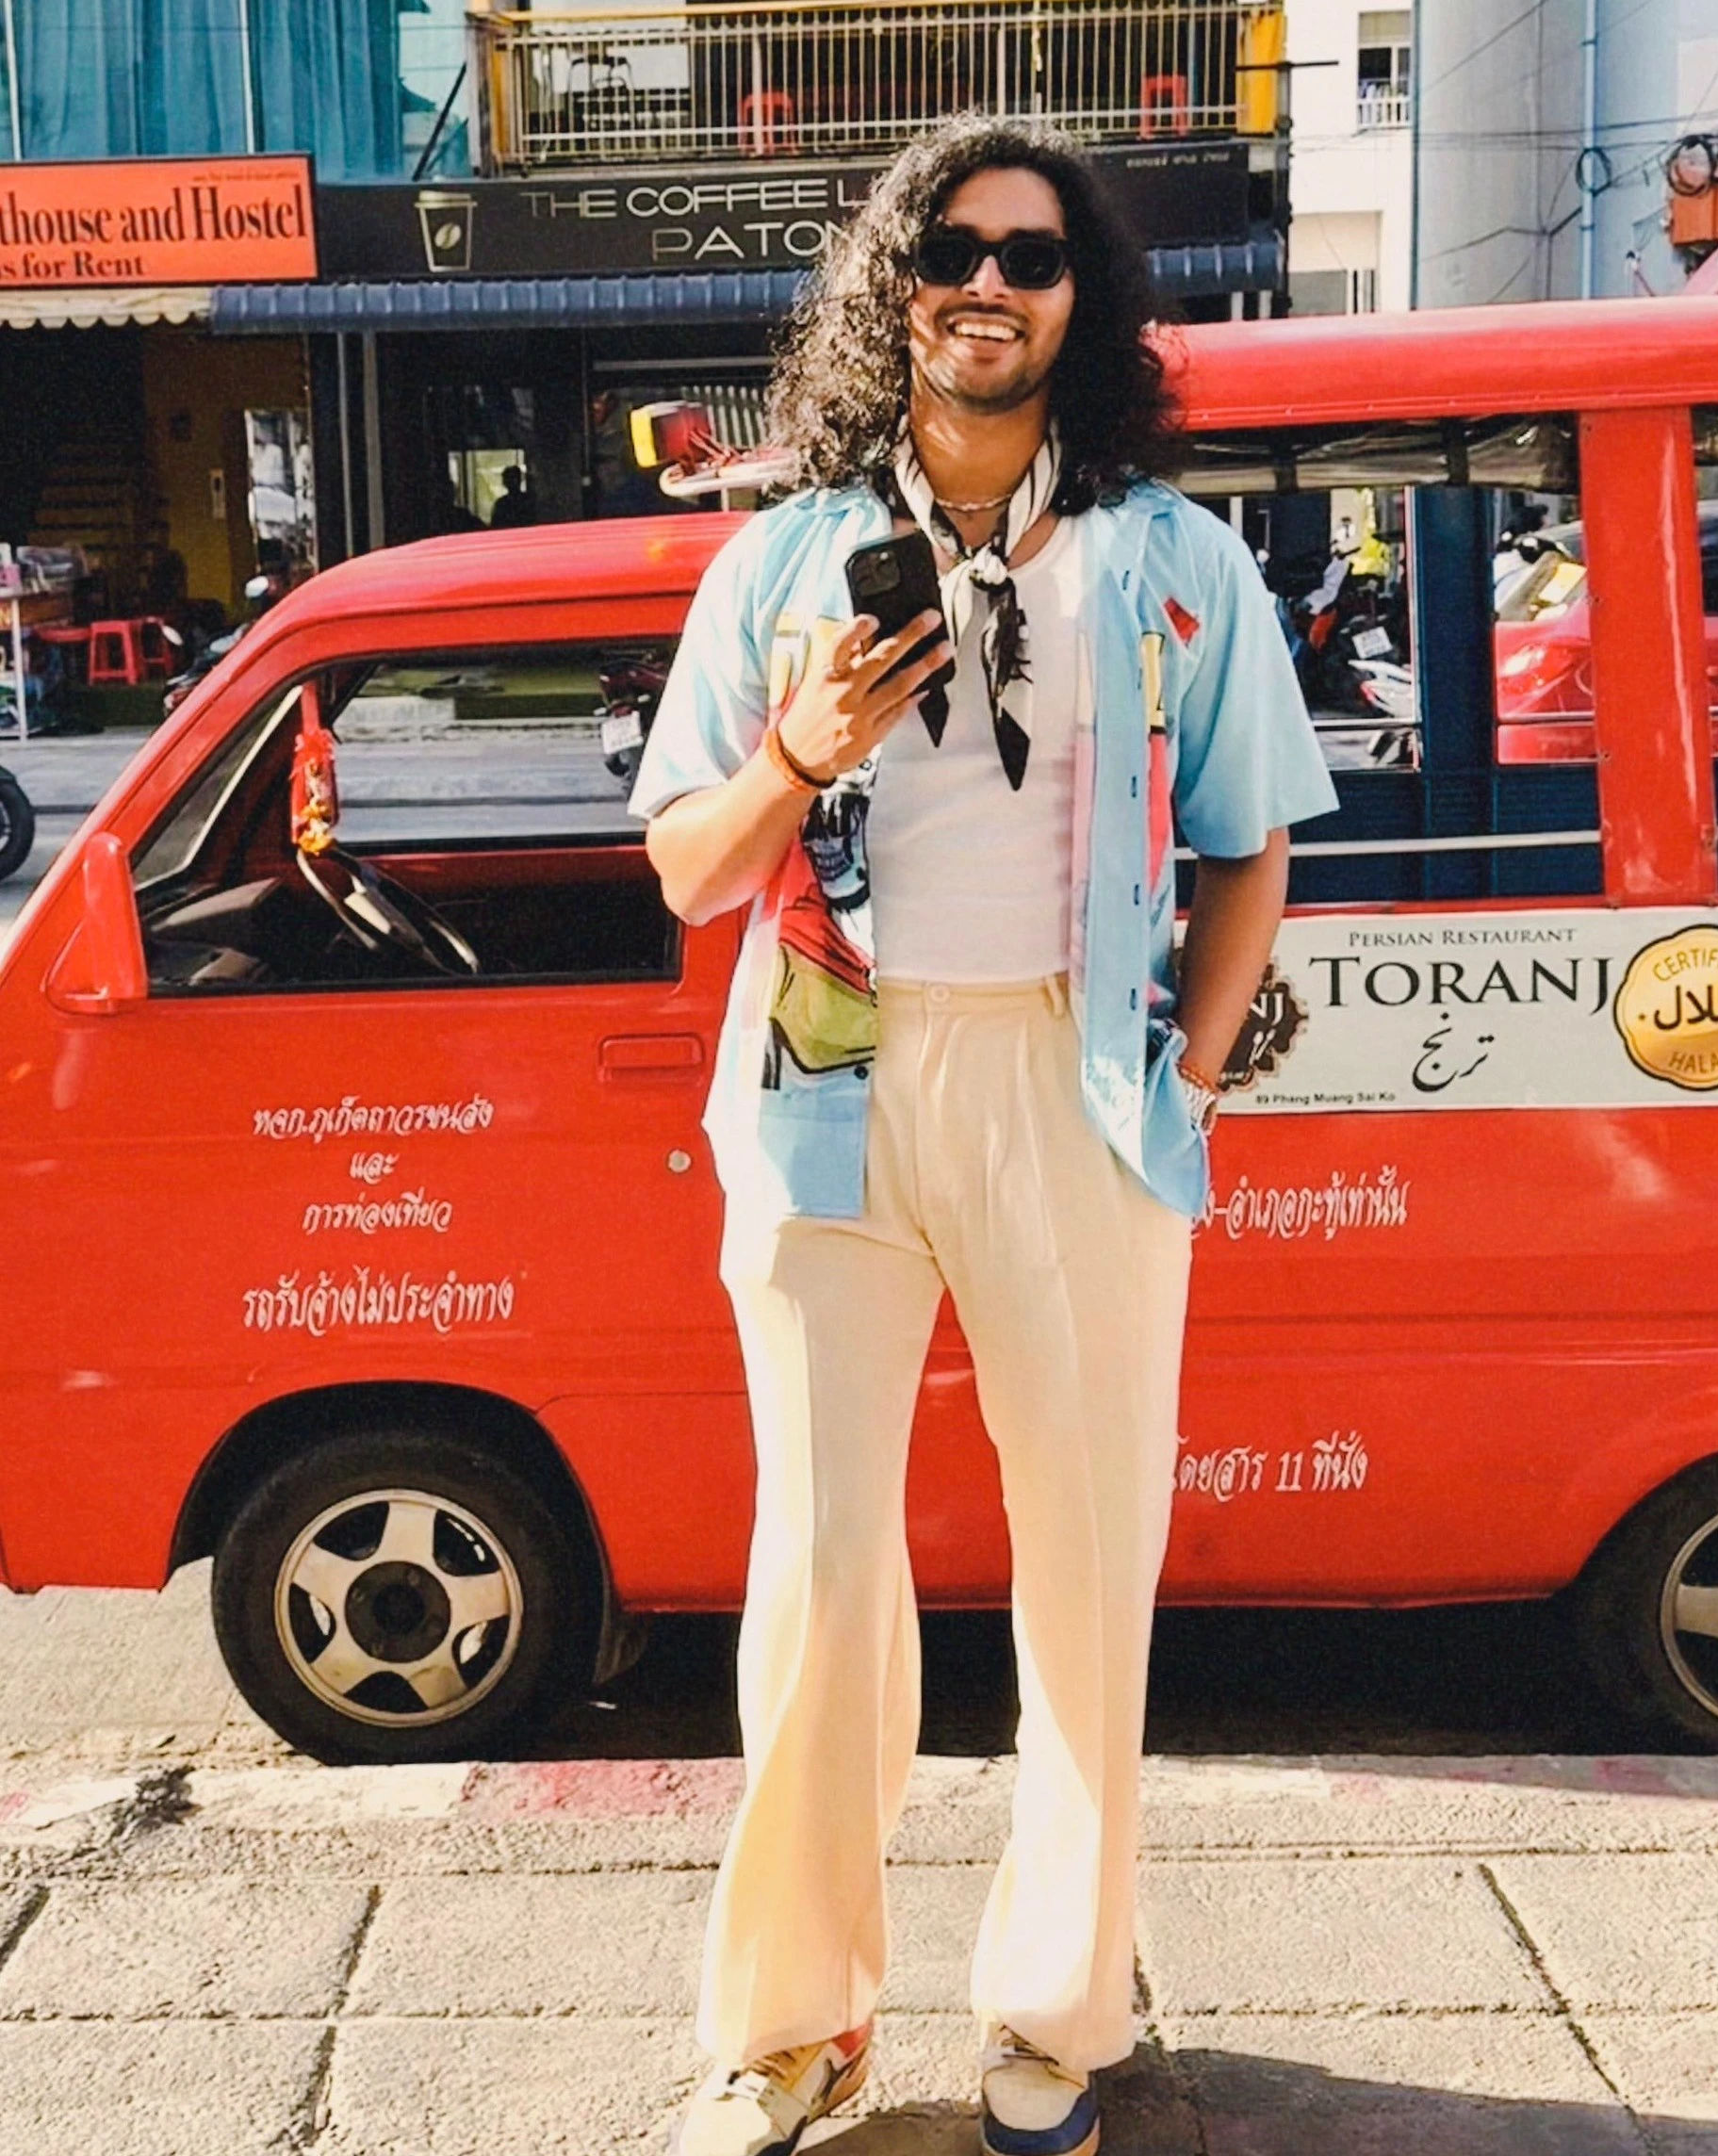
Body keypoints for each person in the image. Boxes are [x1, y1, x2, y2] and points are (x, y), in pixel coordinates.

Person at [630, 117, 1337, 2156]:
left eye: (1033, 255)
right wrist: (800, 747)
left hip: (1073, 1079)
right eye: (951, 248)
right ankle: (795, 2024)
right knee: (819, 1567)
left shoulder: (1174, 561)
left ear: (1079, 299)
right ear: (897, 283)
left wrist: (1195, 1067)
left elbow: (1252, 839)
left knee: (1089, 1562)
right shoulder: (778, 559)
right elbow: (688, 868)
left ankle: (1053, 2009)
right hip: (824, 1075)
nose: (989, 283)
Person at [488, 463, 537, 529]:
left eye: (513, 478)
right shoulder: (501, 504)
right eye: (509, 479)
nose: (512, 482)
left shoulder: (529, 501)